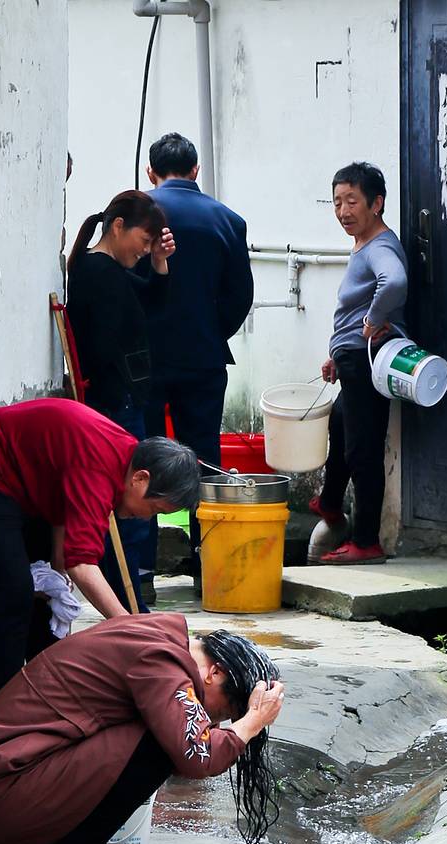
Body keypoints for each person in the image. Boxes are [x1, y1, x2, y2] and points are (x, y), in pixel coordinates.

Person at [0, 613, 284, 844]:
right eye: (221, 712)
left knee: (169, 731)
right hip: (1, 784)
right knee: (163, 742)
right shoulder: (161, 659)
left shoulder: (158, 641)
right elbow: (198, 754)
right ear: (215, 672)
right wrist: (251, 723)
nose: (212, 720)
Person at [0, 398, 200, 707]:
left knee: (47, 597)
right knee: (13, 595)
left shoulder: (122, 461)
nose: (148, 518)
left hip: (33, 484)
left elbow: (68, 509)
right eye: (155, 508)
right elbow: (82, 563)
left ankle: (44, 706)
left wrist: (58, 571)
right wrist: (130, 627)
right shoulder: (99, 466)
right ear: (141, 478)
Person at [141, 132, 254, 581]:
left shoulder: (138, 213)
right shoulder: (228, 220)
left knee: (143, 459)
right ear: (195, 171)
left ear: (151, 172)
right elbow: (240, 296)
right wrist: (210, 331)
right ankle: (208, 567)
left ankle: (142, 570)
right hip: (204, 358)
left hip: (144, 360)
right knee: (203, 458)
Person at [67, 190, 176, 609]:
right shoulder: (99, 273)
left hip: (120, 402)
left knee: (129, 511)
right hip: (114, 407)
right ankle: (129, 606)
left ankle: (130, 603)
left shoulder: (105, 269)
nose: (145, 250)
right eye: (144, 241)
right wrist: (122, 393)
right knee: (130, 508)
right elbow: (103, 347)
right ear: (117, 227)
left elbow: (151, 304)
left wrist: (159, 263)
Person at [312, 162, 408, 564]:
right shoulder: (364, 244)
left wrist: (372, 320)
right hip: (352, 359)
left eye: (352, 201)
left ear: (376, 203)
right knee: (338, 424)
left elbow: (395, 282)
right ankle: (330, 502)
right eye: (337, 202)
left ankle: (367, 541)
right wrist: (338, 352)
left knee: (362, 450)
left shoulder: (380, 247)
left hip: (367, 362)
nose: (343, 211)